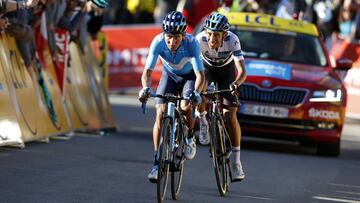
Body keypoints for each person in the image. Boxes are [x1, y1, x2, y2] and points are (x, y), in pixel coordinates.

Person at [138, 11, 205, 183]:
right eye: (169, 37)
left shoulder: (191, 43)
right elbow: (147, 72)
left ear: (183, 35)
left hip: (189, 77)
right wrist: (145, 88)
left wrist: (196, 93)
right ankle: (156, 163)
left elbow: (200, 76)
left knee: (184, 107)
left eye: (176, 37)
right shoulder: (158, 42)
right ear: (164, 34)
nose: (172, 42)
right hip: (169, 76)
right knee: (160, 113)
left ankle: (189, 137)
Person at [195, 12, 246, 181]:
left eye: (216, 35)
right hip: (207, 70)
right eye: (209, 34)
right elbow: (193, 68)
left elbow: (242, 71)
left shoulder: (233, 39)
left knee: (230, 115)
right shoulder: (200, 40)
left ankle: (237, 162)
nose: (211, 39)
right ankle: (203, 121)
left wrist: (236, 84)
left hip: (227, 73)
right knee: (199, 90)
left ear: (224, 35)